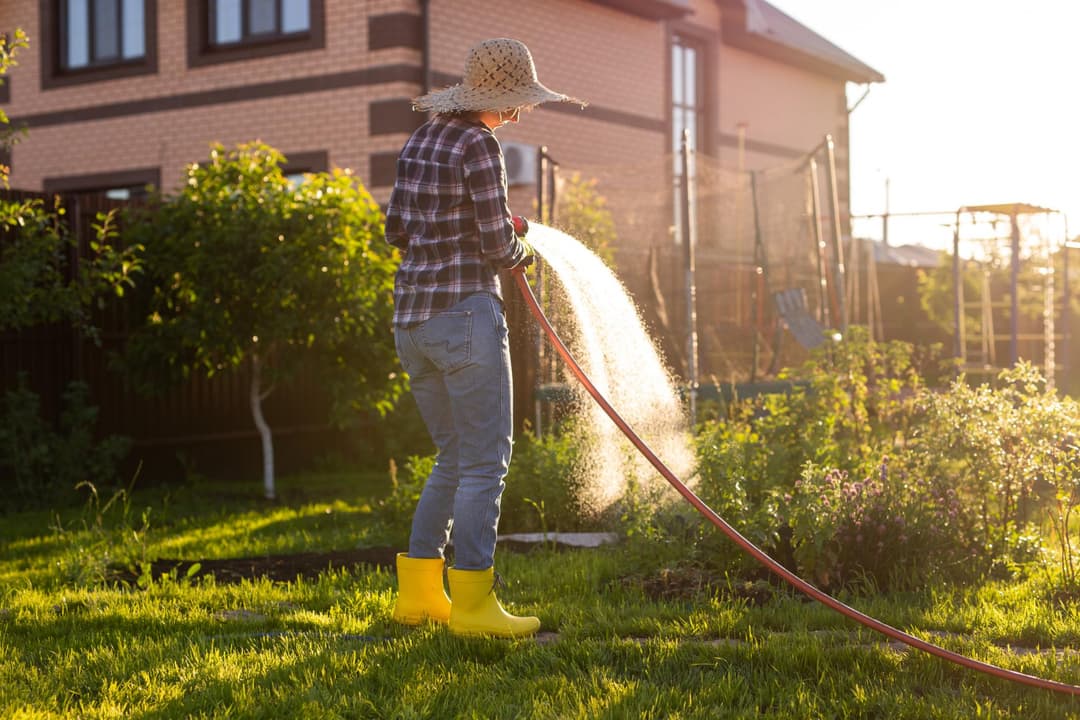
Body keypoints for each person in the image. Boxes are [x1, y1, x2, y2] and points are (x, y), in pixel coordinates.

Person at [383, 38, 582, 638]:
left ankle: (419, 597)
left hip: (412, 323)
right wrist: (523, 249)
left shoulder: (420, 138)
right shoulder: (479, 142)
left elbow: (397, 229)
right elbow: (498, 247)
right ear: (499, 99)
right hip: (466, 318)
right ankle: (473, 605)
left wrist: (483, 226)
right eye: (516, 103)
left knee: (452, 457)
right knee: (485, 465)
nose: (518, 114)